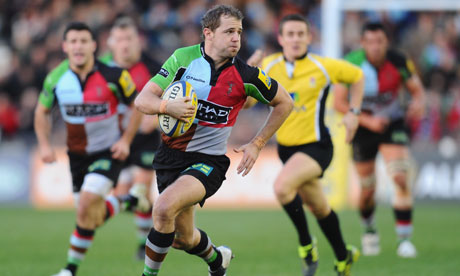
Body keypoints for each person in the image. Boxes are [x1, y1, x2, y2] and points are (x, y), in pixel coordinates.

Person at [134, 5, 293, 276]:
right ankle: (217, 260)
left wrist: (257, 143)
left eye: (240, 32)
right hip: (170, 157)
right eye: (229, 31)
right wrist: (167, 107)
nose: (236, 38)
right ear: (208, 33)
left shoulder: (246, 75)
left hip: (208, 163)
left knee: (162, 209)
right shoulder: (182, 59)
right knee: (183, 239)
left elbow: (285, 103)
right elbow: (142, 100)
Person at [249, 14, 364, 276]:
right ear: (280, 38)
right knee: (320, 208)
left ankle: (306, 245)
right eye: (290, 34)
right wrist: (251, 73)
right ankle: (343, 257)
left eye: (301, 34)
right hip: (286, 150)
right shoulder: (268, 65)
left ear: (310, 37)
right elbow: (247, 103)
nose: (296, 39)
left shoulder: (323, 66)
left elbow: (357, 76)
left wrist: (354, 112)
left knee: (281, 188)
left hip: (317, 146)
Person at [34, 22, 145, 276]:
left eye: (84, 41)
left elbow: (137, 105)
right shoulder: (55, 78)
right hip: (76, 156)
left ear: (94, 45)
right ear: (64, 47)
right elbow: (41, 111)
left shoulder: (115, 75)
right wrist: (44, 144)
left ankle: (69, 270)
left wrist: (126, 140)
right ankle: (127, 201)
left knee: (86, 207)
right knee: (89, 217)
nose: (78, 46)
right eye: (73, 41)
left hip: (108, 152)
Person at [333, 22, 425, 258]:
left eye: (380, 42)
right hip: (363, 126)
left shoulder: (399, 60)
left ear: (387, 42)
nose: (375, 47)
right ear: (363, 43)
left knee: (400, 177)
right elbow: (339, 103)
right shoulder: (351, 63)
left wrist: (418, 103)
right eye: (370, 42)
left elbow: (417, 90)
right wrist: (368, 121)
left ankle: (404, 240)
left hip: (392, 124)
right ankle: (369, 229)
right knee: (367, 190)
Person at [100, 16, 162, 260]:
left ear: (139, 42)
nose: (125, 44)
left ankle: (142, 245)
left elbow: (175, 98)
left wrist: (156, 117)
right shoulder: (100, 67)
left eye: (130, 39)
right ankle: (149, 224)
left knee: (140, 188)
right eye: (120, 39)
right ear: (111, 43)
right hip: (114, 138)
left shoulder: (154, 67)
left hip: (145, 138)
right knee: (127, 194)